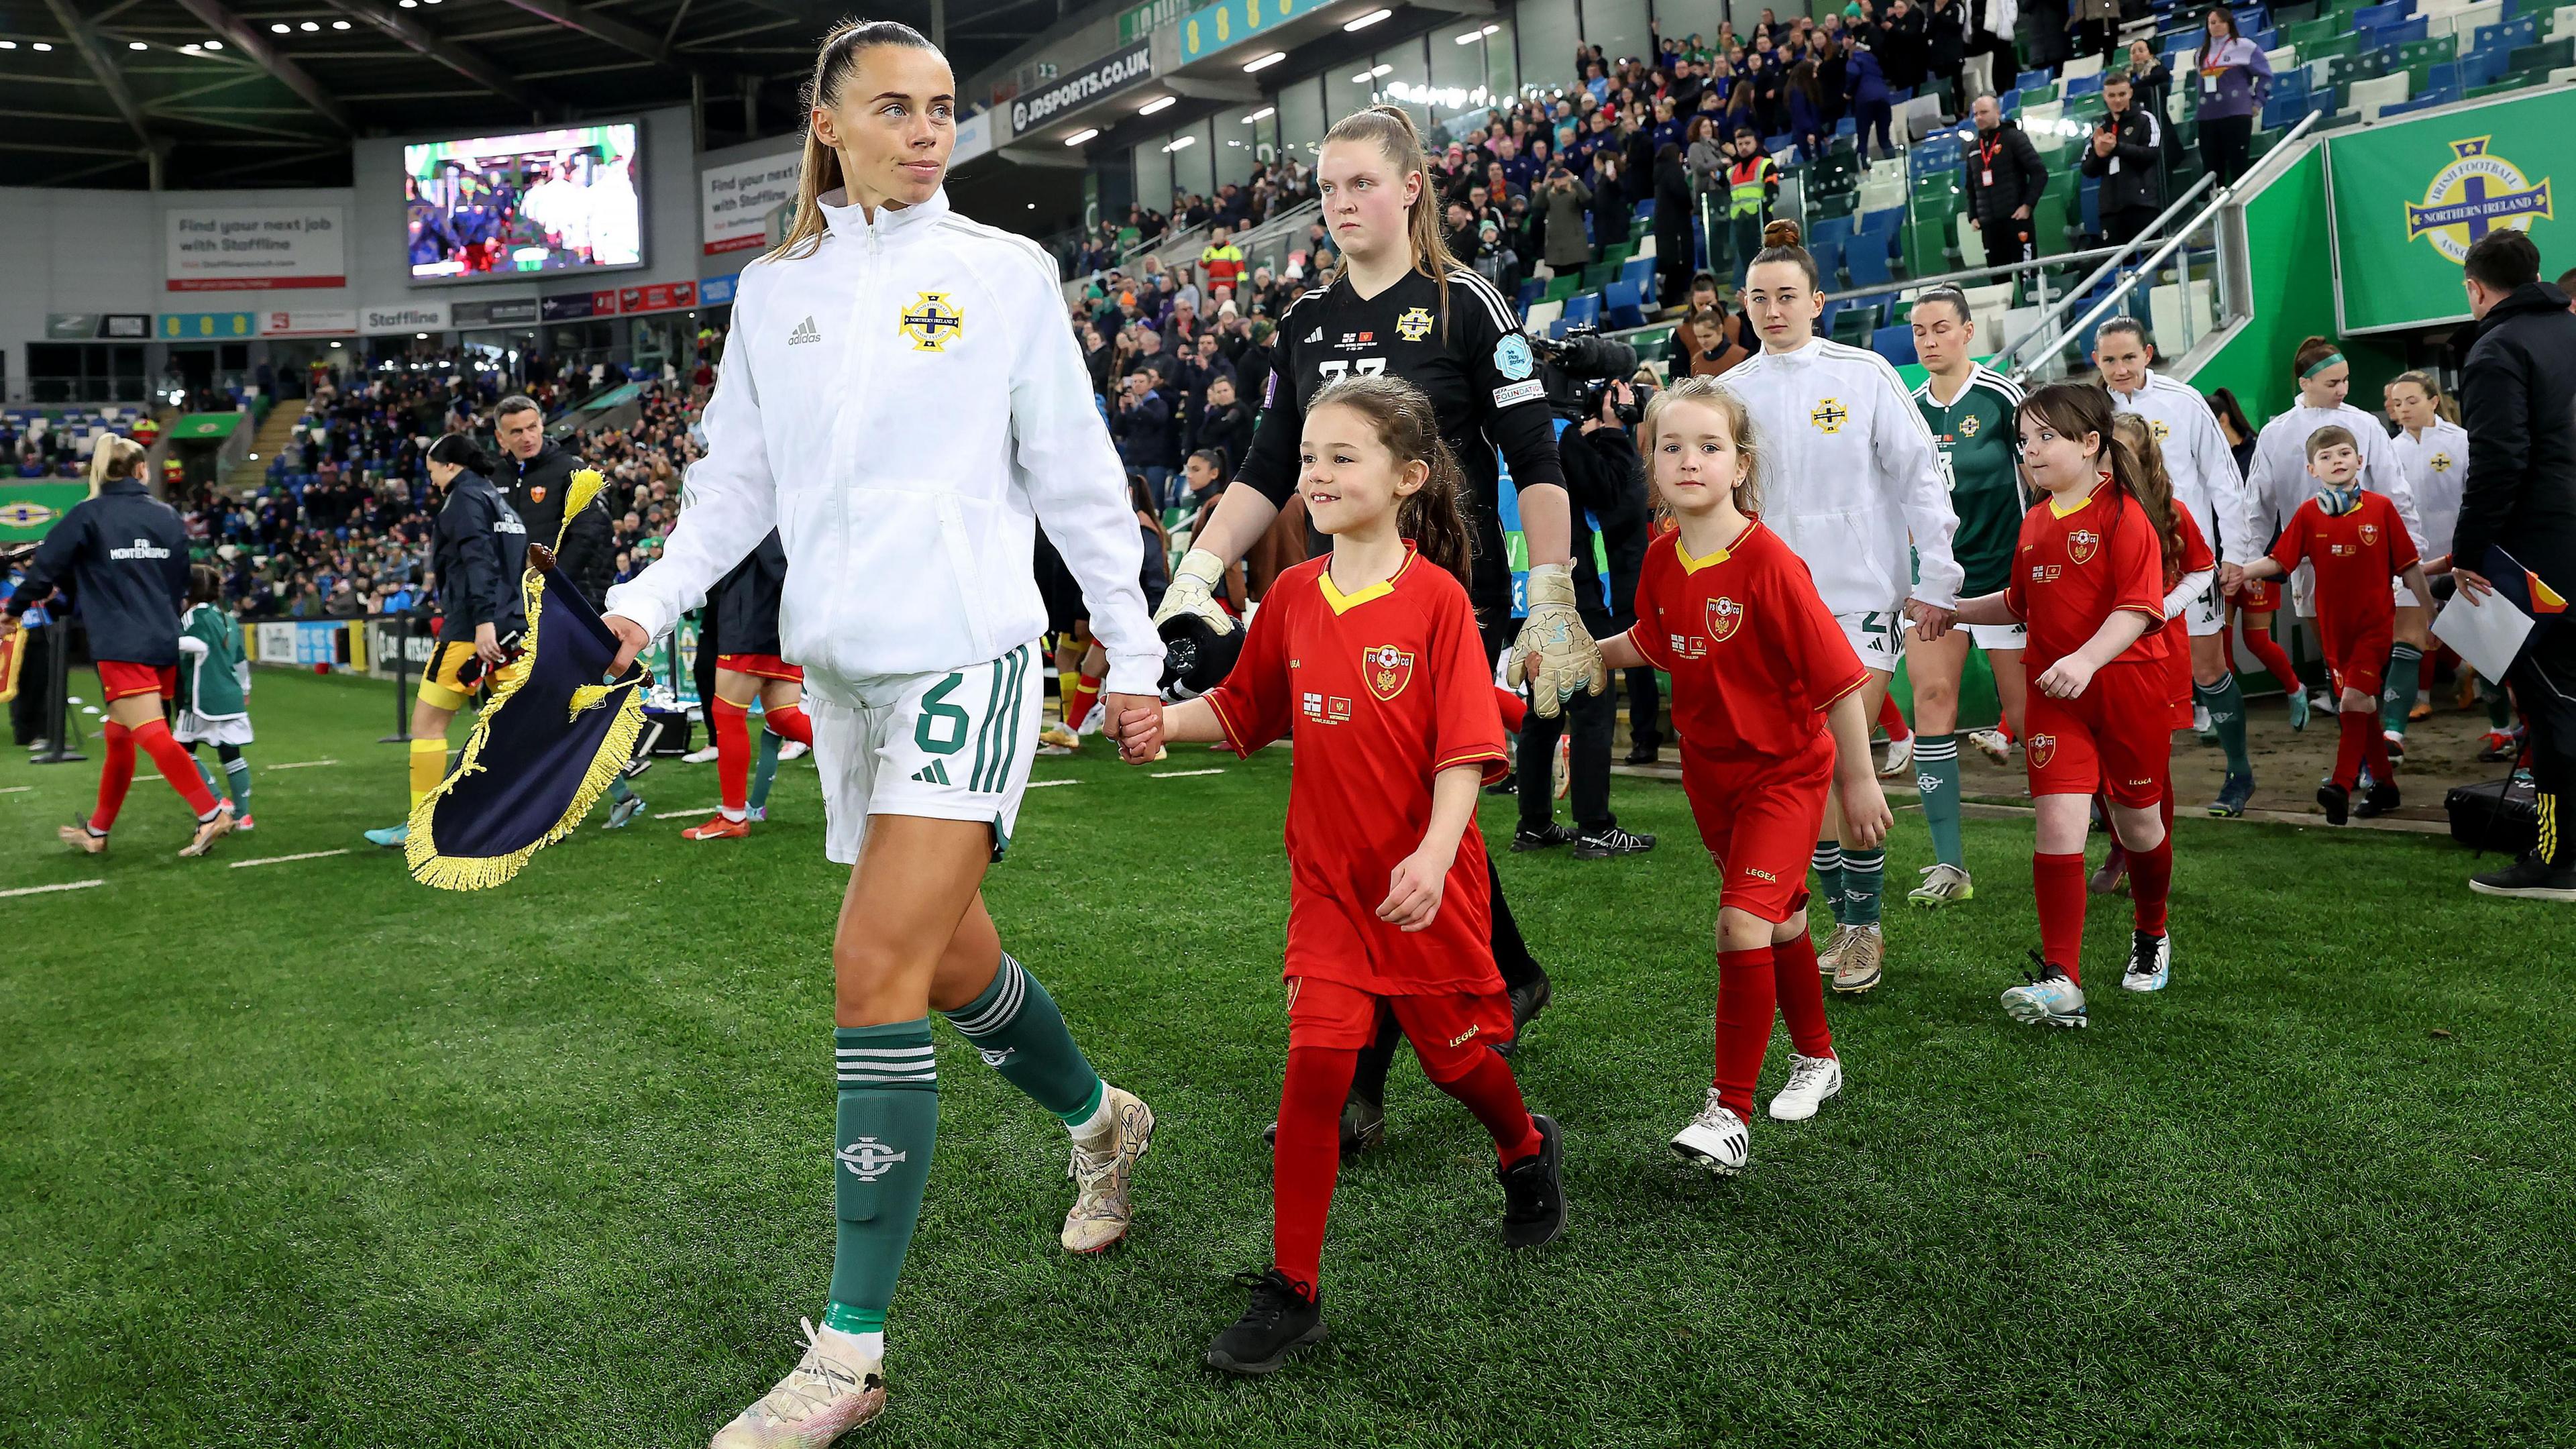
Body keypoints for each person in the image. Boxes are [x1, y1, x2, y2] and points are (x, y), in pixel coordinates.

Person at [595, 24, 1163, 1441]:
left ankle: (847, 1355)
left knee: (872, 964)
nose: (926, 132)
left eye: (943, 110)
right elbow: (736, 482)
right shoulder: (772, 288)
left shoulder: (1004, 273)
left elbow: (1078, 474)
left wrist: (1136, 651)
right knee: (948, 955)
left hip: (971, 653)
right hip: (843, 680)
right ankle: (1103, 1122)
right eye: (895, 108)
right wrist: (647, 599)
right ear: (828, 125)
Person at [1157, 105, 1603, 1152]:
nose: (1341, 202)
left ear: (1410, 188)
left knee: (1395, 815)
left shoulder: (1465, 304)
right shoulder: (1304, 323)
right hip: (1341, 601)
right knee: (1375, 813)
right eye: (1328, 186)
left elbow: (1538, 460)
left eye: (1361, 182)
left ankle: (1357, 1085)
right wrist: (1197, 573)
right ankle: (1509, 976)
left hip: (1449, 600)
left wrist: (1552, 594)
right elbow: (1270, 467)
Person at [1120, 375, 1567, 1375]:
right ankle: (1293, 1290)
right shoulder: (1289, 596)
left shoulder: (1438, 601)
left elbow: (1463, 751)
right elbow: (1243, 711)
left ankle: (1525, 1148)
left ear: (1409, 477)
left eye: (1341, 457)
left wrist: (1437, 849)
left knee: (1459, 1066)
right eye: (1309, 457)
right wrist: (1163, 722)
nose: (1315, 475)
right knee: (1318, 1069)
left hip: (1424, 889)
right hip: (1329, 888)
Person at [1594, 377, 1889, 1173]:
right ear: (1650, 462)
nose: (1689, 461)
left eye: (1709, 447)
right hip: (1710, 776)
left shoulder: (1771, 565)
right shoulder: (1661, 560)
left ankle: (1729, 1112)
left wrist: (1857, 784)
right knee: (1783, 920)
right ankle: (1819, 1060)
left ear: (1740, 464)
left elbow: (1838, 682)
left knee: (1739, 925)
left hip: (1787, 774)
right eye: (1671, 447)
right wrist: (1586, 656)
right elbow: (1654, 644)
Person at [1721, 220, 1959, 994]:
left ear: (1818, 301)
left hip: (1857, 598)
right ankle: (1842, 920)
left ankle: (1865, 929)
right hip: (1769, 606)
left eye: (1787, 295)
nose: (1773, 309)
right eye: (1759, 298)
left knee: (1838, 756)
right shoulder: (1729, 395)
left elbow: (1922, 475)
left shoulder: (1864, 374)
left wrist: (1939, 572)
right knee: (1804, 770)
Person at [1952, 382, 2181, 1026]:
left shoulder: (2124, 515)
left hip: (2127, 689)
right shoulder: (2034, 521)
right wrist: (1955, 610)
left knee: (2139, 827)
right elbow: (2020, 605)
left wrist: (2086, 660)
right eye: (2024, 441)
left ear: (2090, 444)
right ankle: (2063, 981)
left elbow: (2138, 609)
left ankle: (2152, 930)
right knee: (2057, 827)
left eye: (2046, 437)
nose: (2031, 451)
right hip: (2055, 694)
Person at [6, 437, 235, 858]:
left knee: (149, 733)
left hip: (119, 641)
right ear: (141, 470)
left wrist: (14, 609)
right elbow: (179, 580)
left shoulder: (86, 515)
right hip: (162, 638)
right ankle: (97, 831)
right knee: (119, 735)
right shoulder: (168, 516)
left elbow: (43, 574)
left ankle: (210, 813)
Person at [2447, 230, 2576, 900]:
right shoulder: (2569, 331)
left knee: (2554, 704)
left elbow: (2500, 463)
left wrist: (2468, 553)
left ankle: (2557, 859)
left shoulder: (2498, 348)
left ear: (2476, 286)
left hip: (2542, 552)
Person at [2096, 319, 2259, 815]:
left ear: (2148, 353)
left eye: (2129, 357)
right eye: (2109, 360)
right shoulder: (2090, 410)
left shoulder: (2185, 402)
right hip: (2116, 563)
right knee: (2114, 674)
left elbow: (2224, 480)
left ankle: (2239, 774)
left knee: (2209, 669)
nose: (2120, 369)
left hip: (2185, 561)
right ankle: (2117, 792)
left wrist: (2237, 553)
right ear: (2096, 361)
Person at [2224, 337, 2422, 740]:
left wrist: (2411, 556)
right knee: (2339, 667)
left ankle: (2381, 747)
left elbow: (2395, 493)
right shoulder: (2277, 433)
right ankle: (2369, 755)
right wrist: (2247, 563)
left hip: (2368, 565)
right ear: (2305, 382)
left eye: (2346, 380)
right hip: (2311, 567)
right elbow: (2257, 504)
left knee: (2366, 671)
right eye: (2333, 382)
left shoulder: (2365, 425)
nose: (2343, 390)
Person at [2235, 426, 2434, 824]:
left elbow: (2409, 566)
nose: (2337, 461)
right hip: (2333, 632)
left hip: (2375, 627)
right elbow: (2280, 562)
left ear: (2360, 462)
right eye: (2326, 457)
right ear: (2312, 469)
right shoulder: (2308, 515)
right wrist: (2238, 571)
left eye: (2344, 454)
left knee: (2352, 703)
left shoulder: (2380, 508)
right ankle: (2386, 787)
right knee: (2362, 709)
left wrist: (2430, 614)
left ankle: (2340, 786)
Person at [1904, 286, 2026, 907]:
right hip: (1938, 586)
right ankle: (1950, 866)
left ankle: (2113, 830)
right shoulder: (1909, 409)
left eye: (1939, 329)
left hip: (2005, 584)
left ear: (1968, 331)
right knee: (1931, 704)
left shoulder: (2003, 398)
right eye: (1919, 332)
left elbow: (2039, 479)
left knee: (2033, 721)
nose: (1928, 341)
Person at [362, 433, 532, 851]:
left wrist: (481, 622)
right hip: (513, 628)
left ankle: (422, 827)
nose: (432, 478)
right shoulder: (503, 504)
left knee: (427, 726)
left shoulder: (463, 502)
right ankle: (535, 816)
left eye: (433, 469)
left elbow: (478, 562)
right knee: (520, 727)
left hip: (473, 633)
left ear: (451, 466)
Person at [1517, 379, 1656, 859]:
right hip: (1568, 588)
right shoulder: (1563, 437)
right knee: (1592, 707)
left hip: (1529, 586)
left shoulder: (1522, 431)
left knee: (1544, 707)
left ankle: (1534, 824)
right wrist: (1613, 432)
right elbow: (1615, 497)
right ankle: (1595, 827)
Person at [492, 392, 644, 827]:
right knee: (545, 703)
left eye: (532, 427)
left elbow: (592, 532)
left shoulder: (573, 471)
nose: (526, 437)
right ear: (501, 437)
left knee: (552, 701)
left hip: (569, 605)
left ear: (543, 425)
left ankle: (552, 803)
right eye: (516, 431)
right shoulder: (494, 479)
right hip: (518, 608)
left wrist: (552, 584)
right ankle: (618, 786)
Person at [680, 531, 818, 840]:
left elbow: (781, 563)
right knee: (784, 717)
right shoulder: (784, 507)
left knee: (727, 716)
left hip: (753, 622)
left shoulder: (762, 510)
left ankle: (733, 816)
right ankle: (867, 755)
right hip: (778, 625)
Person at [2382, 370, 2469, 754]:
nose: (2403, 410)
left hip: (2460, 555)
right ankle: (2403, 720)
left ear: (2434, 401)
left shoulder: (2462, 442)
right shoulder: (2388, 450)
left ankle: (2498, 721)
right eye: (2397, 404)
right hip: (2411, 559)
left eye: (2411, 401)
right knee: (2412, 633)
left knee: (2474, 633)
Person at [175, 564, 256, 833]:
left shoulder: (192, 617)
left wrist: (162, 640)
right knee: (230, 752)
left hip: (202, 697)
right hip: (230, 695)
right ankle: (244, 817)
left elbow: (197, 644)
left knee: (181, 752)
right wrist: (245, 690)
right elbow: (241, 660)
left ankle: (218, 801)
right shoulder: (228, 618)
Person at [1964, 93, 2049, 272]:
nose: (1979, 118)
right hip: (1989, 226)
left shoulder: (2014, 138)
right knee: (1998, 282)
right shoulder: (1973, 149)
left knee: (2026, 275)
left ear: (1997, 112)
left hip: (2016, 220)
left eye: (1984, 112)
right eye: (1976, 114)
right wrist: (1973, 215)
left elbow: (2039, 173)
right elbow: (1971, 186)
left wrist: (2027, 205)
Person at [2189, 7, 2270, 186]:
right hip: (2207, 118)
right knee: (2211, 171)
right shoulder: (2200, 54)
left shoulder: (2245, 47)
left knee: (2238, 167)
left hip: (2236, 115)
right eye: (2212, 22)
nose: (2216, 26)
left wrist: (2257, 102)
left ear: (2230, 23)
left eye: (2221, 21)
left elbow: (2266, 76)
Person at [2082, 72, 2164, 247]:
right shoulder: (2101, 129)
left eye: (2122, 94)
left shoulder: (2145, 119)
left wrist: (2117, 148)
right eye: (2112, 95)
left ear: (2130, 93)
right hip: (2110, 209)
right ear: (2105, 97)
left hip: (2142, 205)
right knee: (2116, 267)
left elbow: (2152, 153)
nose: (2117, 100)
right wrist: (2100, 154)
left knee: (2153, 262)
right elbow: (2087, 169)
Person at [1723, 129, 1780, 285]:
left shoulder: (1765, 165)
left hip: (1762, 222)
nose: (1743, 147)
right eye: (1740, 144)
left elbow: (1773, 192)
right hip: (1741, 224)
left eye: (1747, 143)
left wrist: (1761, 208)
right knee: (1749, 266)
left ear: (1756, 143)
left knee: (1767, 262)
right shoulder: (1731, 171)